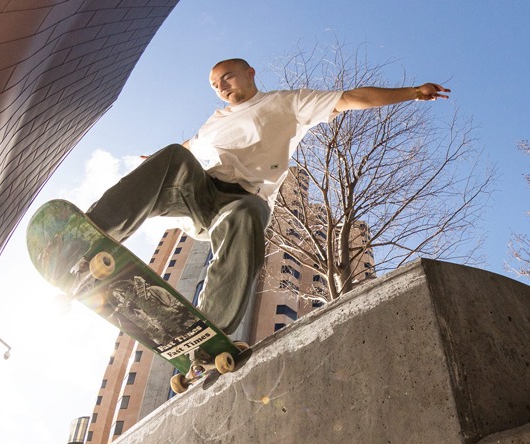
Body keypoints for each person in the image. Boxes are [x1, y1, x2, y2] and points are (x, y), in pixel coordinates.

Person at [86, 58, 449, 336]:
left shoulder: (287, 102)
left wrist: (413, 92)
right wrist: (155, 161)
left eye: (226, 77)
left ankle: (209, 329)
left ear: (249, 73)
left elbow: (351, 98)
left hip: (242, 201)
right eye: (215, 85)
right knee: (172, 156)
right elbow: (186, 150)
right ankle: (94, 230)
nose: (221, 87)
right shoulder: (213, 122)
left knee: (245, 213)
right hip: (200, 197)